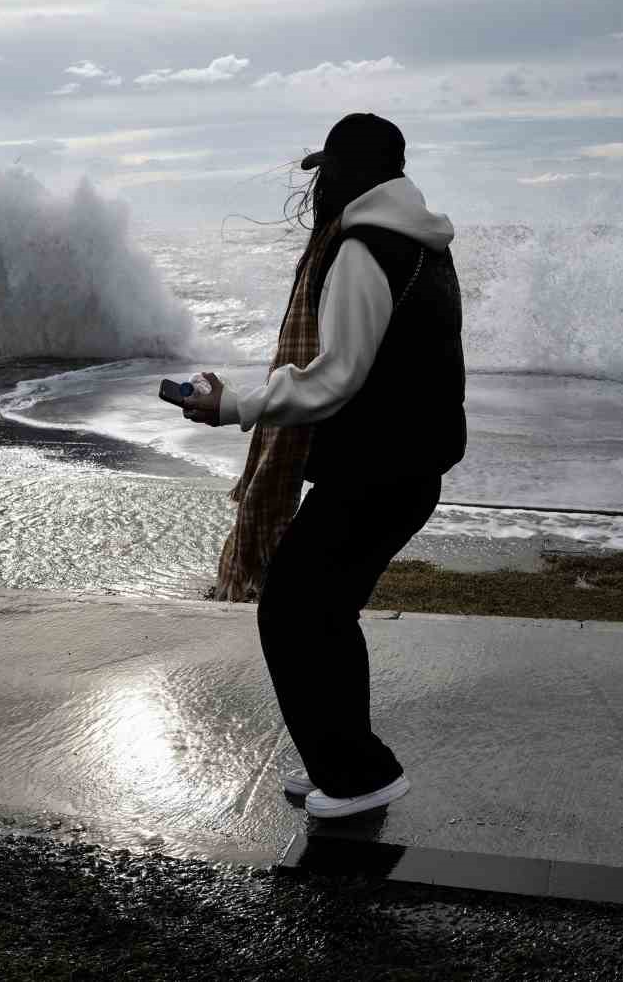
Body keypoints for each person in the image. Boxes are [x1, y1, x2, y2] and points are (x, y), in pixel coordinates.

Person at [181, 112, 466, 819]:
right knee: (325, 612)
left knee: (292, 610)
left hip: (377, 473)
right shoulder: (422, 244)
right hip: (403, 469)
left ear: (348, 173)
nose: (315, 189)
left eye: (324, 172)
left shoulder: (364, 250)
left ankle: (358, 773)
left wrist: (234, 406)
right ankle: (340, 760)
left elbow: (336, 375)